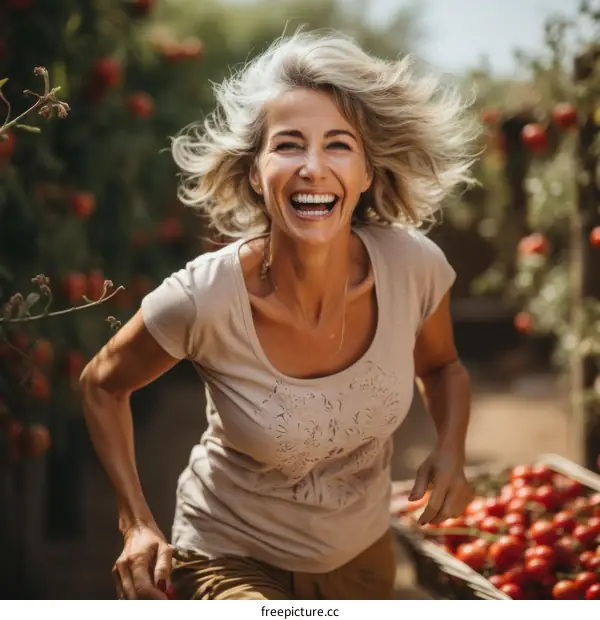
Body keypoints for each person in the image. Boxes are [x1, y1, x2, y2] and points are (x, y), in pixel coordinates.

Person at [79, 29, 480, 601]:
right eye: (289, 144)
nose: (313, 167)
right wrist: (136, 522)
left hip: (363, 559)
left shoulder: (413, 266)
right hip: (229, 555)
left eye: (339, 145)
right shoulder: (202, 297)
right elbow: (100, 384)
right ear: (254, 171)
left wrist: (450, 449)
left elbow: (443, 368)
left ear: (366, 173)